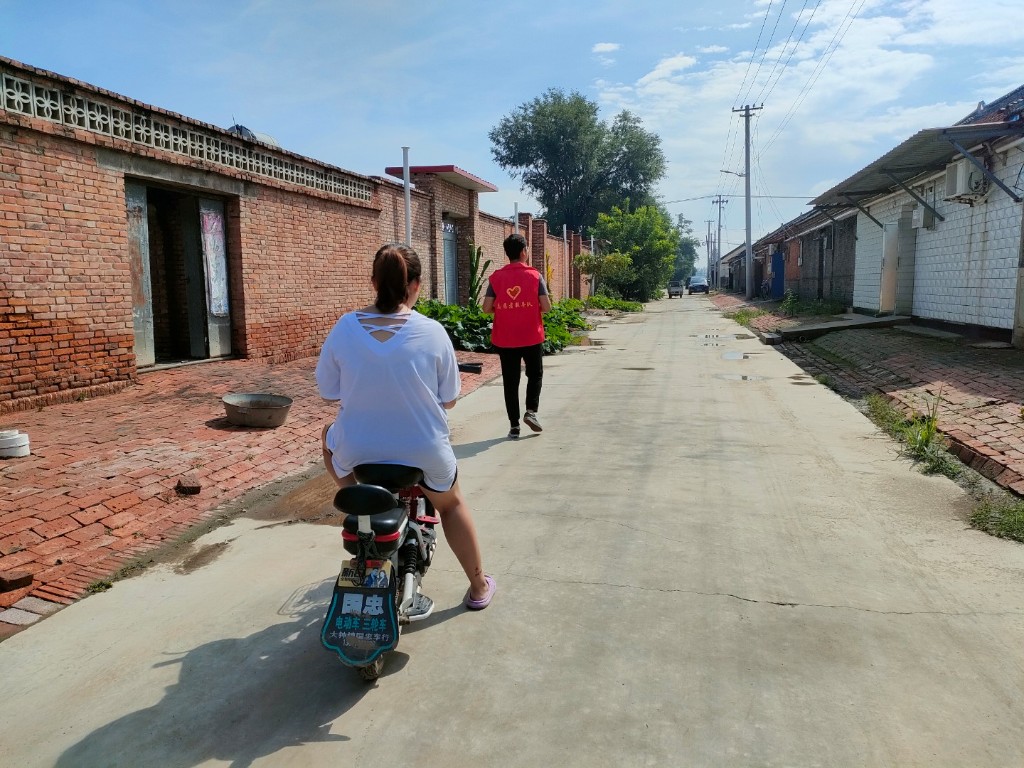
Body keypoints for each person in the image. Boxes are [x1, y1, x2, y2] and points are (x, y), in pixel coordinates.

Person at [315, 243, 495, 610]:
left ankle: (361, 504)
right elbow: (449, 399)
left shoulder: (345, 327)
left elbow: (328, 391)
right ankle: (478, 586)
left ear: (373, 282)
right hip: (423, 449)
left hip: (359, 448)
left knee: (327, 438)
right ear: (415, 285)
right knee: (451, 505)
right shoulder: (432, 331)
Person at [482, 233, 552, 440]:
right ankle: (531, 411)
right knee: (535, 374)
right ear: (523, 252)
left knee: (510, 382)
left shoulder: (496, 278)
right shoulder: (535, 276)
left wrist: (503, 309)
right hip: (531, 336)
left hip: (505, 338)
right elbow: (546, 306)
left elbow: (486, 308)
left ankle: (514, 427)